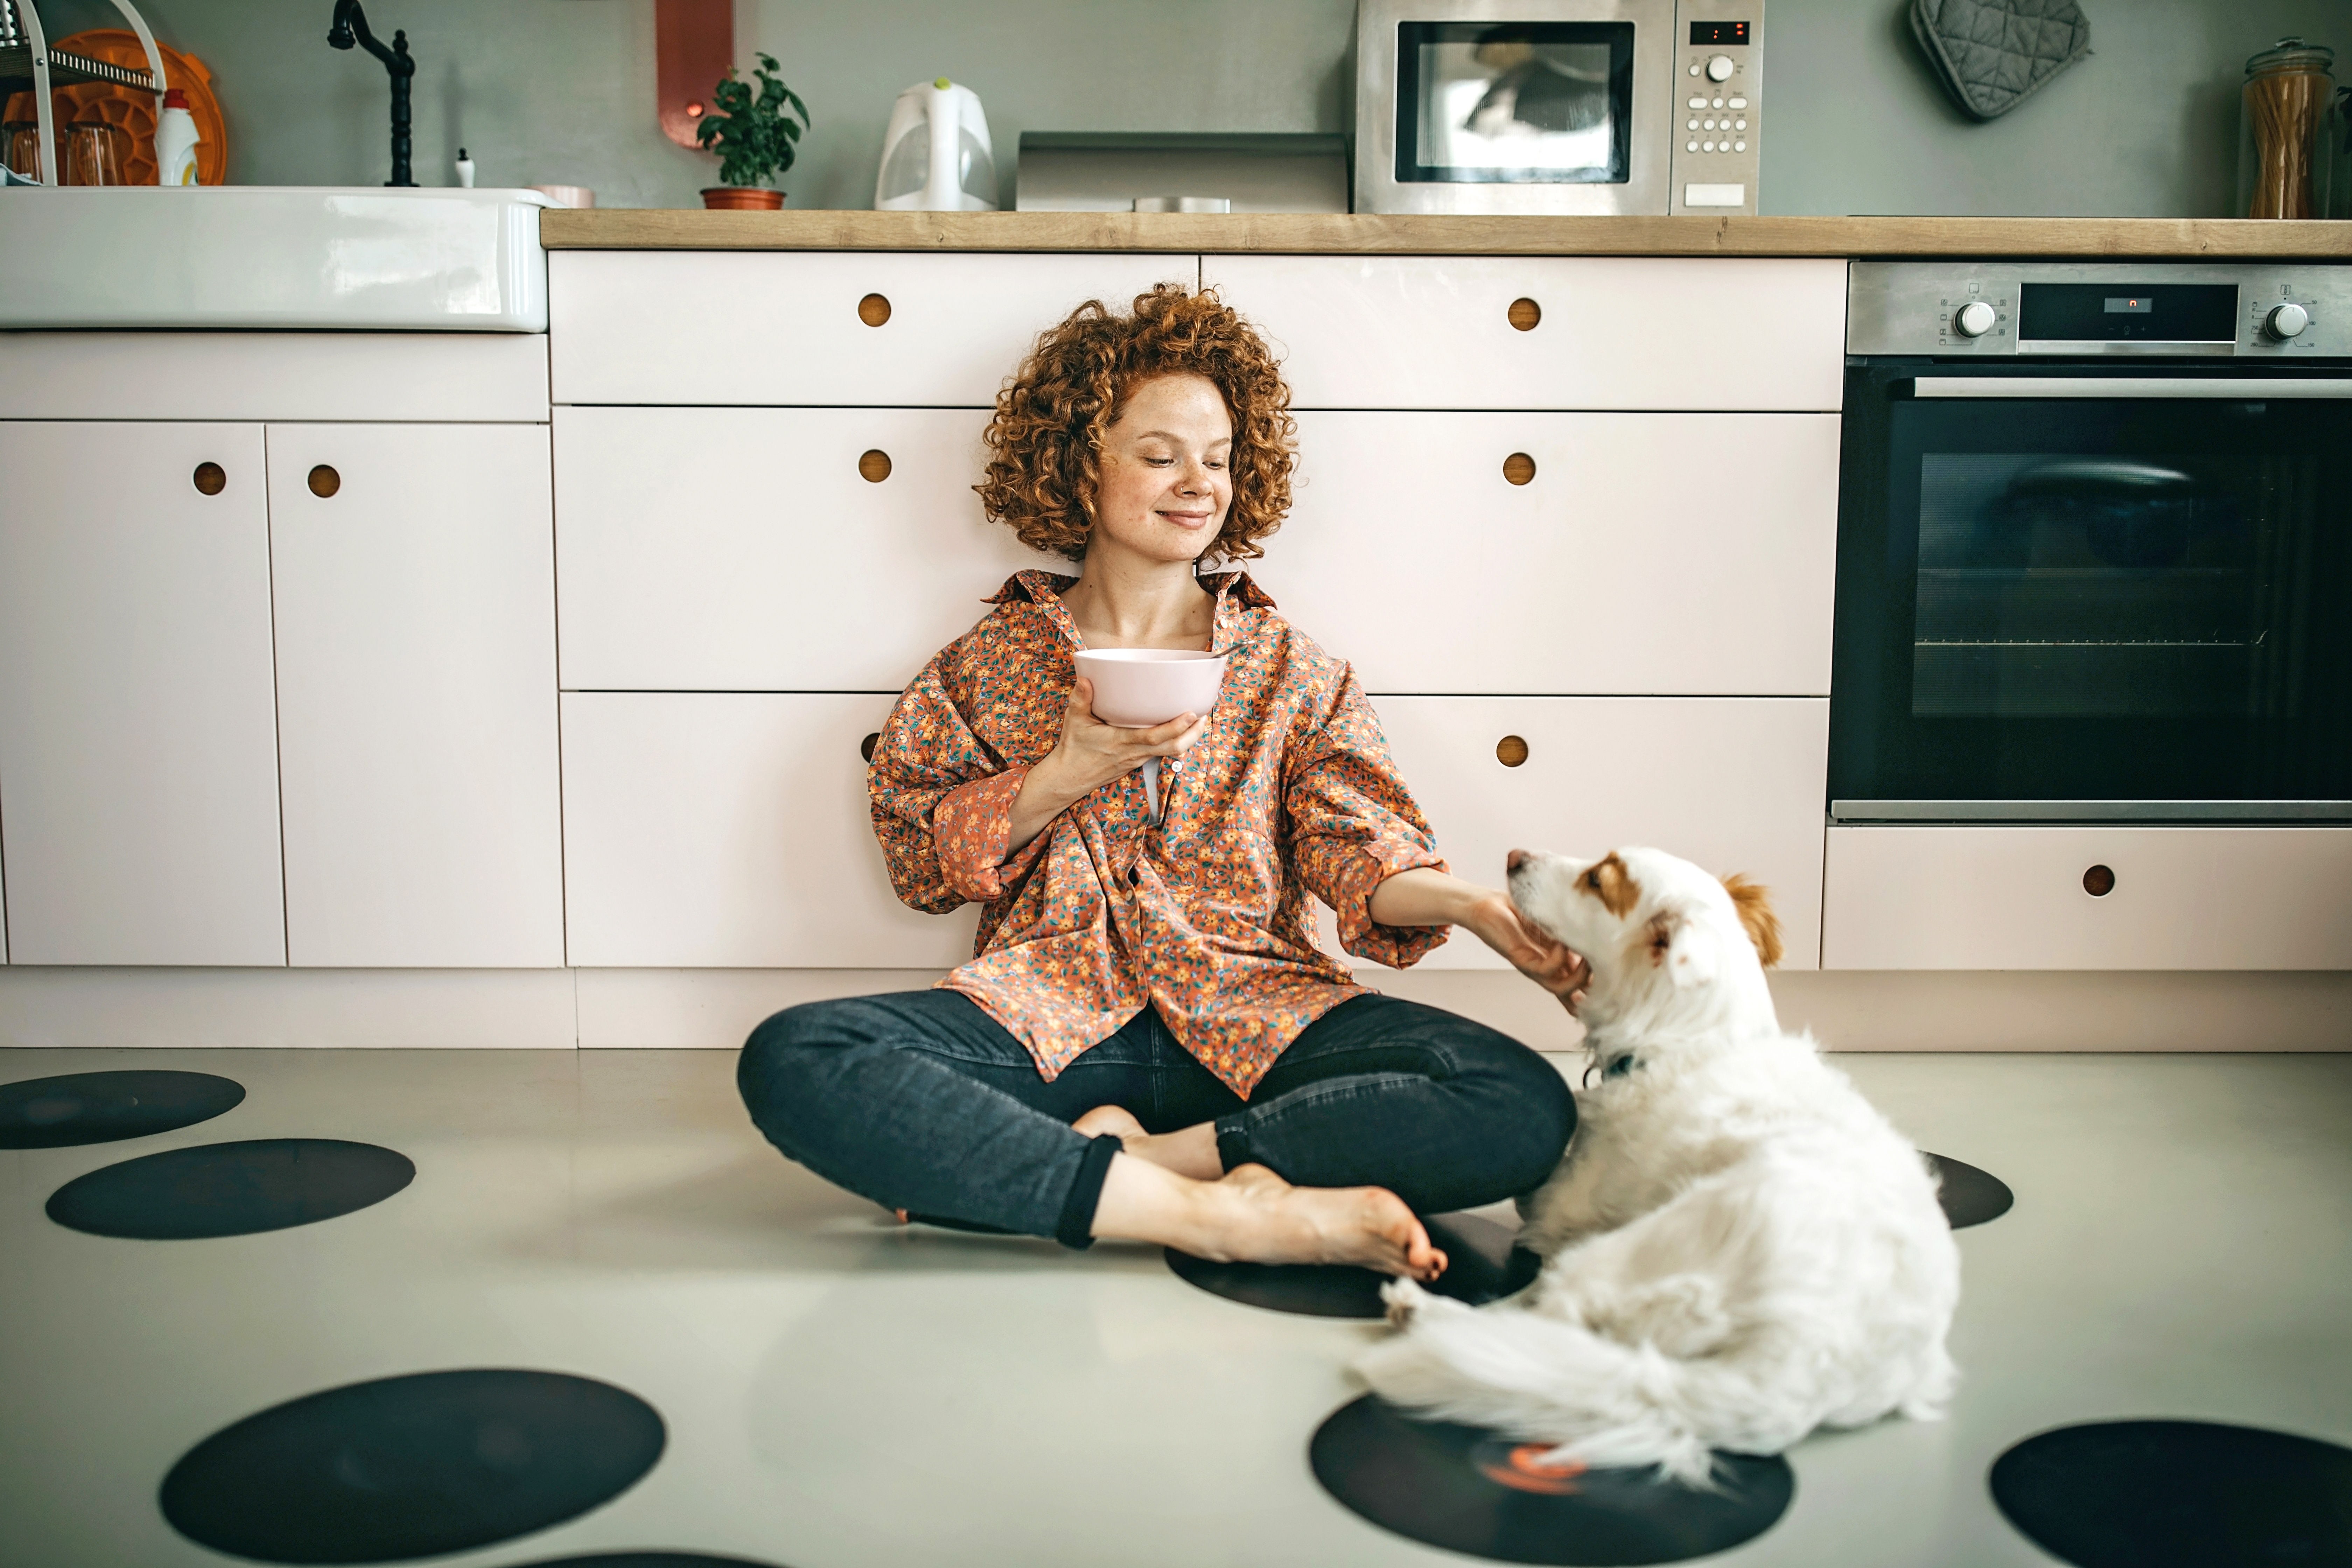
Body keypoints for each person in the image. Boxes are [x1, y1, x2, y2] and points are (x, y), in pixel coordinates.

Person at [738, 285, 1586, 1281]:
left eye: (1219, 460)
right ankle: (1228, 1217)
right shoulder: (982, 665)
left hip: (1260, 1017)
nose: (1198, 484)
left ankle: (1135, 1170)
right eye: (1159, 456)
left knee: (1518, 1100)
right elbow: (919, 861)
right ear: (1079, 466)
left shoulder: (1292, 669)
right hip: (1049, 1017)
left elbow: (1362, 854)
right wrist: (1063, 774)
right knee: (800, 1057)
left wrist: (1479, 907)